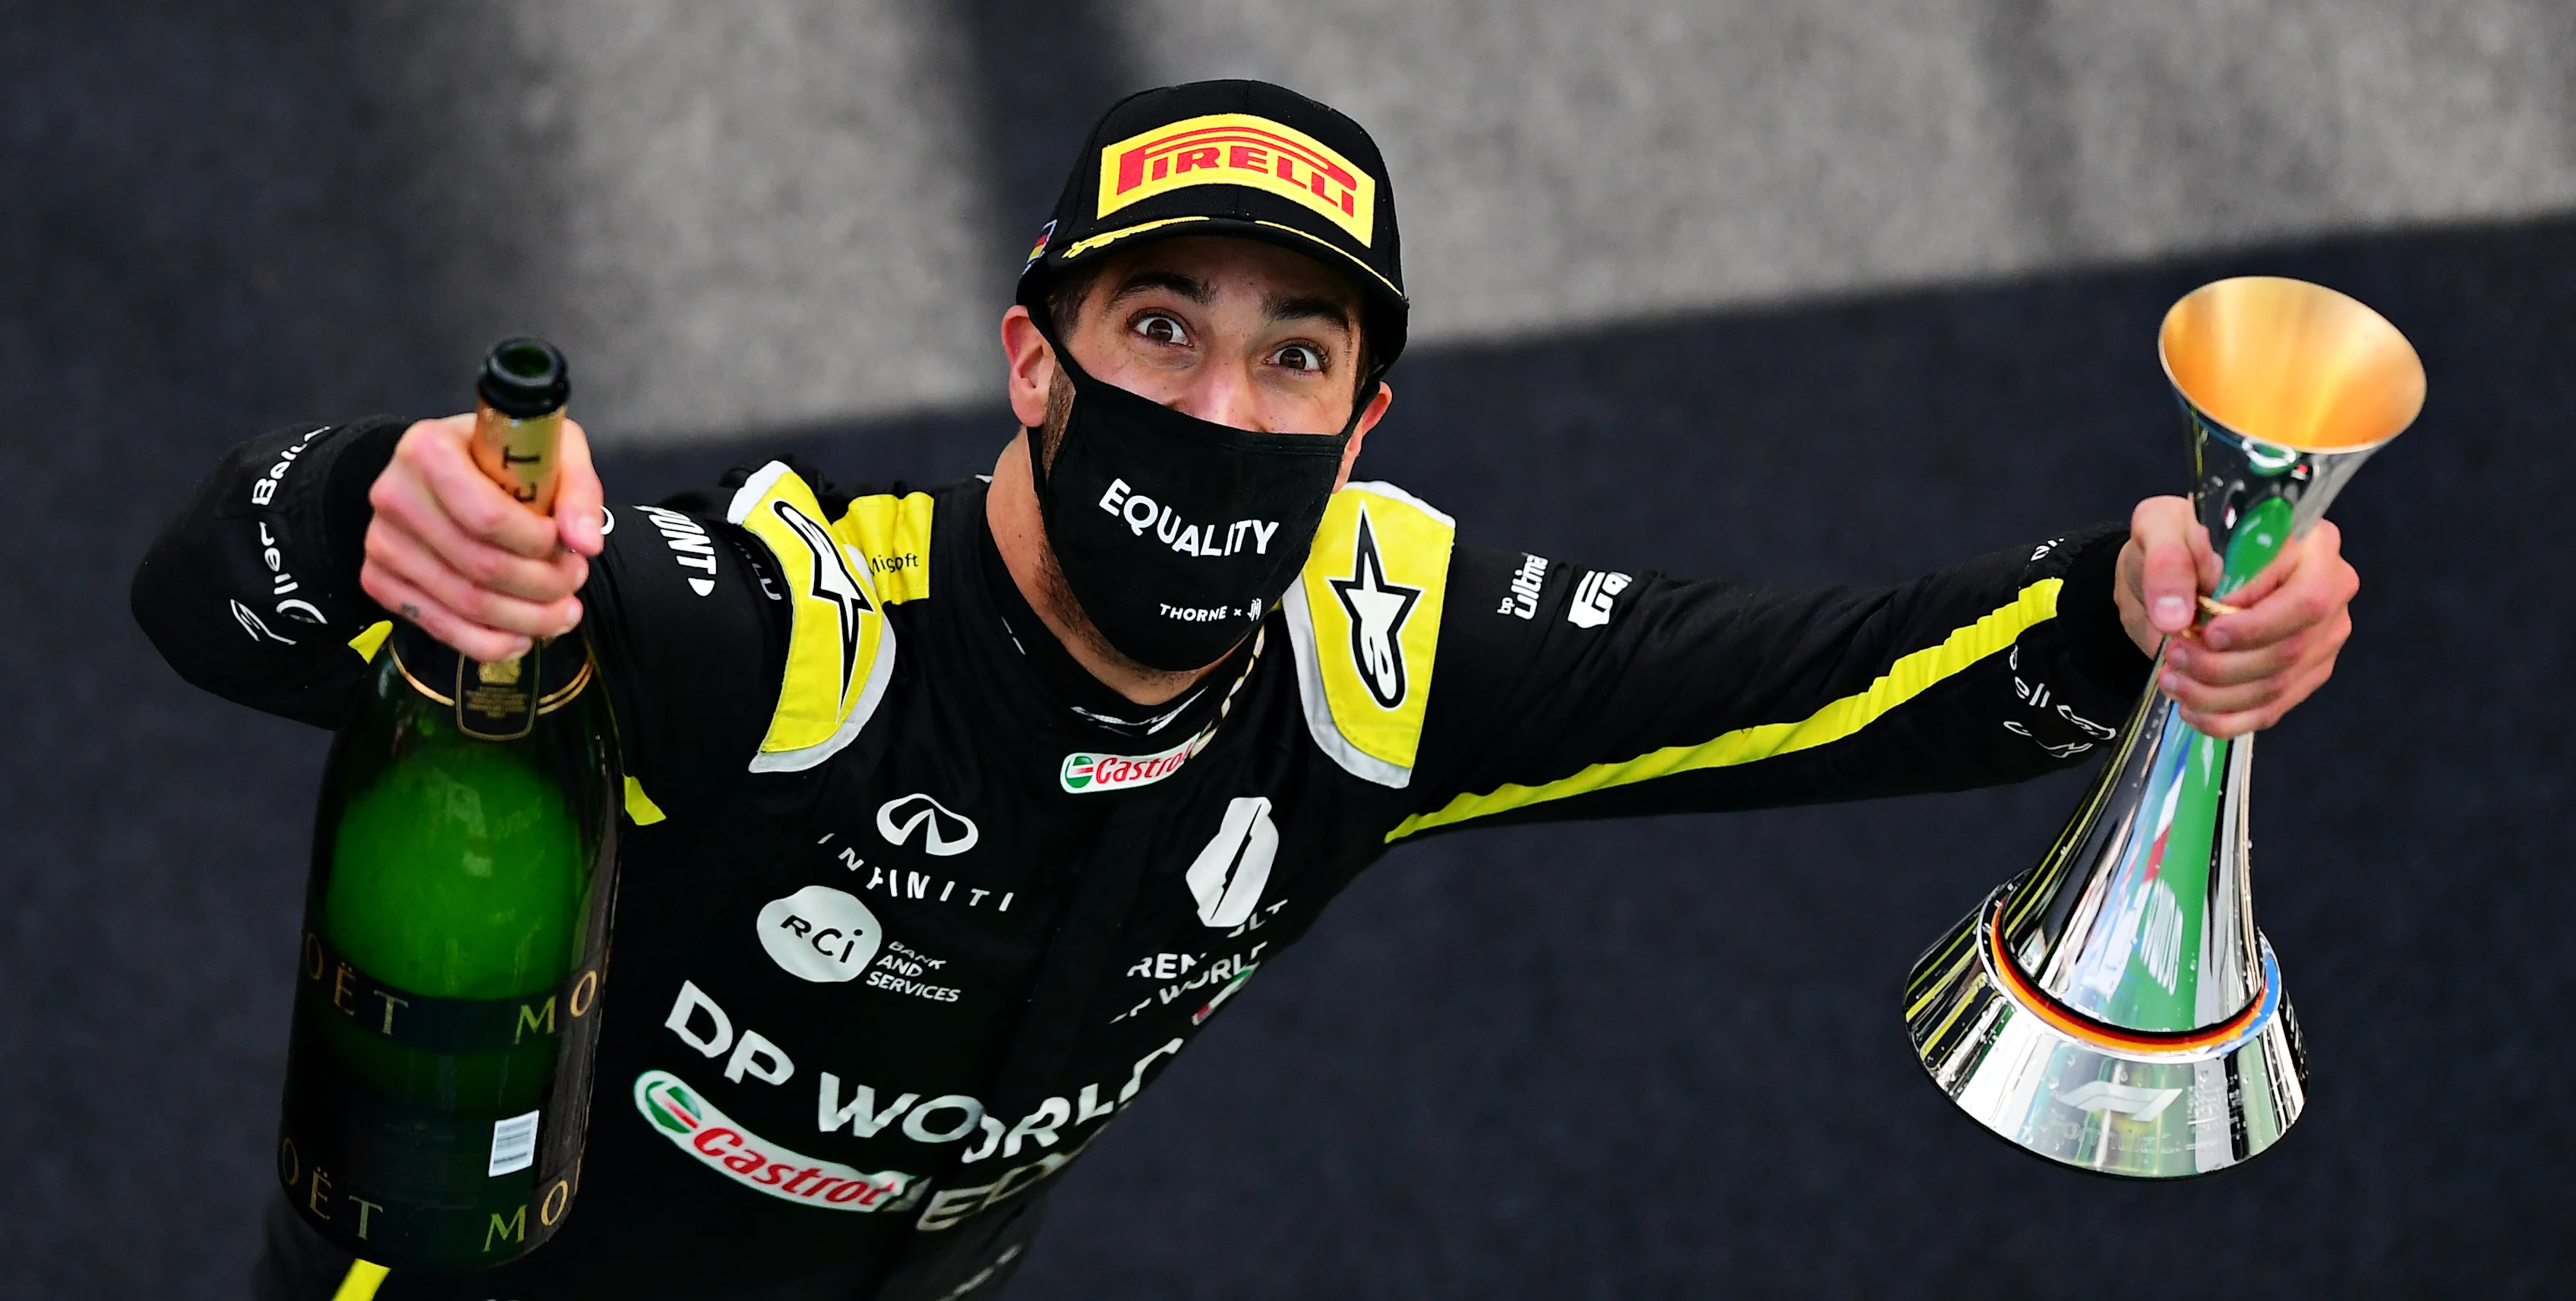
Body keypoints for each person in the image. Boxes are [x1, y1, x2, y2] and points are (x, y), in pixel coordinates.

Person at [134, 81, 2360, 1301]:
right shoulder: (794, 627)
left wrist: (2141, 605)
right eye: (1158, 329)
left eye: (1294, 353)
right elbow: (213, 602)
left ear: (1367, 418)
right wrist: (367, 509)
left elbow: (1822, 686)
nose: (1223, 394)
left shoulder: (1381, 671)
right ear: (1034, 361)